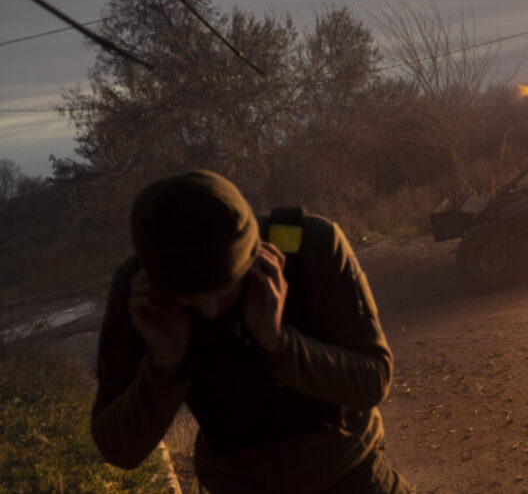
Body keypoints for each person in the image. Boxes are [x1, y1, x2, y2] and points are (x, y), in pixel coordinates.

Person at [91, 170, 411, 493]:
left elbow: (373, 380)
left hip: (353, 478)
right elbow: (119, 448)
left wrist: (279, 344)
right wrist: (164, 366)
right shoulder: (140, 297)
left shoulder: (311, 247)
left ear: (255, 257)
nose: (213, 310)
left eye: (227, 293)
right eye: (192, 303)